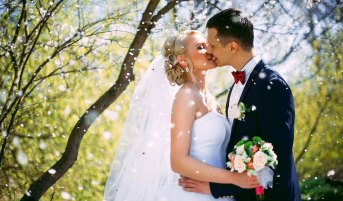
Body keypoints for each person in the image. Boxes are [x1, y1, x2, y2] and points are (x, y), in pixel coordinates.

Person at [104, 30, 259, 201]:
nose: (209, 50)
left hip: (214, 191)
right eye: (200, 47)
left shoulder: (210, 98)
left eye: (207, 45)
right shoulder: (187, 95)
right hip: (193, 194)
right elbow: (179, 161)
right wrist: (234, 179)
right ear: (183, 60)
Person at [179, 8, 302, 201]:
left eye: (212, 45)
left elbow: (277, 159)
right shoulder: (238, 84)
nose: (209, 51)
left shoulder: (272, 85)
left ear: (233, 47)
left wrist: (215, 188)